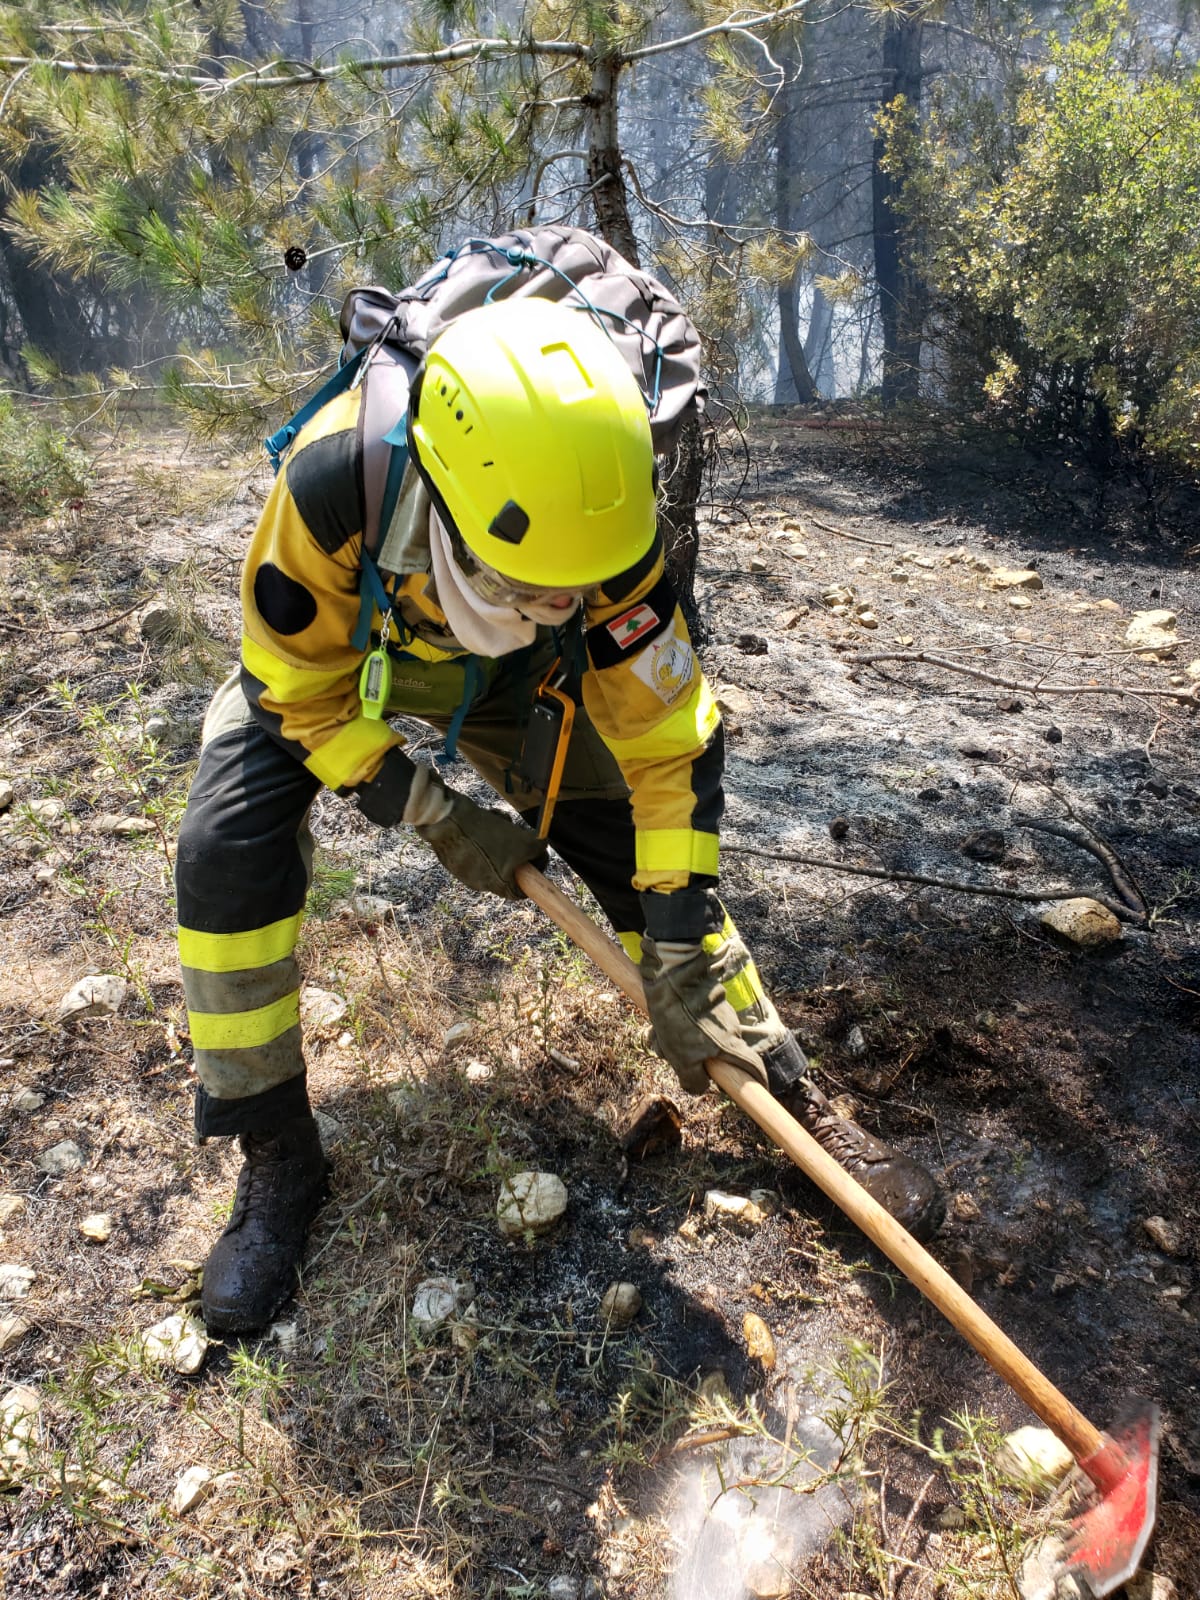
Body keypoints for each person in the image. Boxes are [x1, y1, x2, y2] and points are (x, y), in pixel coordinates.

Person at [175, 293, 943, 1336]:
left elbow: (669, 744)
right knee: (224, 851)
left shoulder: (606, 534)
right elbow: (294, 688)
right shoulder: (332, 487)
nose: (572, 604)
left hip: (513, 681)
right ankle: (277, 1153)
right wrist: (431, 810)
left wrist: (677, 943)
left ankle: (789, 1094)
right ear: (451, 504)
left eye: (586, 587)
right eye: (541, 584)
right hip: (344, 668)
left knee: (637, 853)